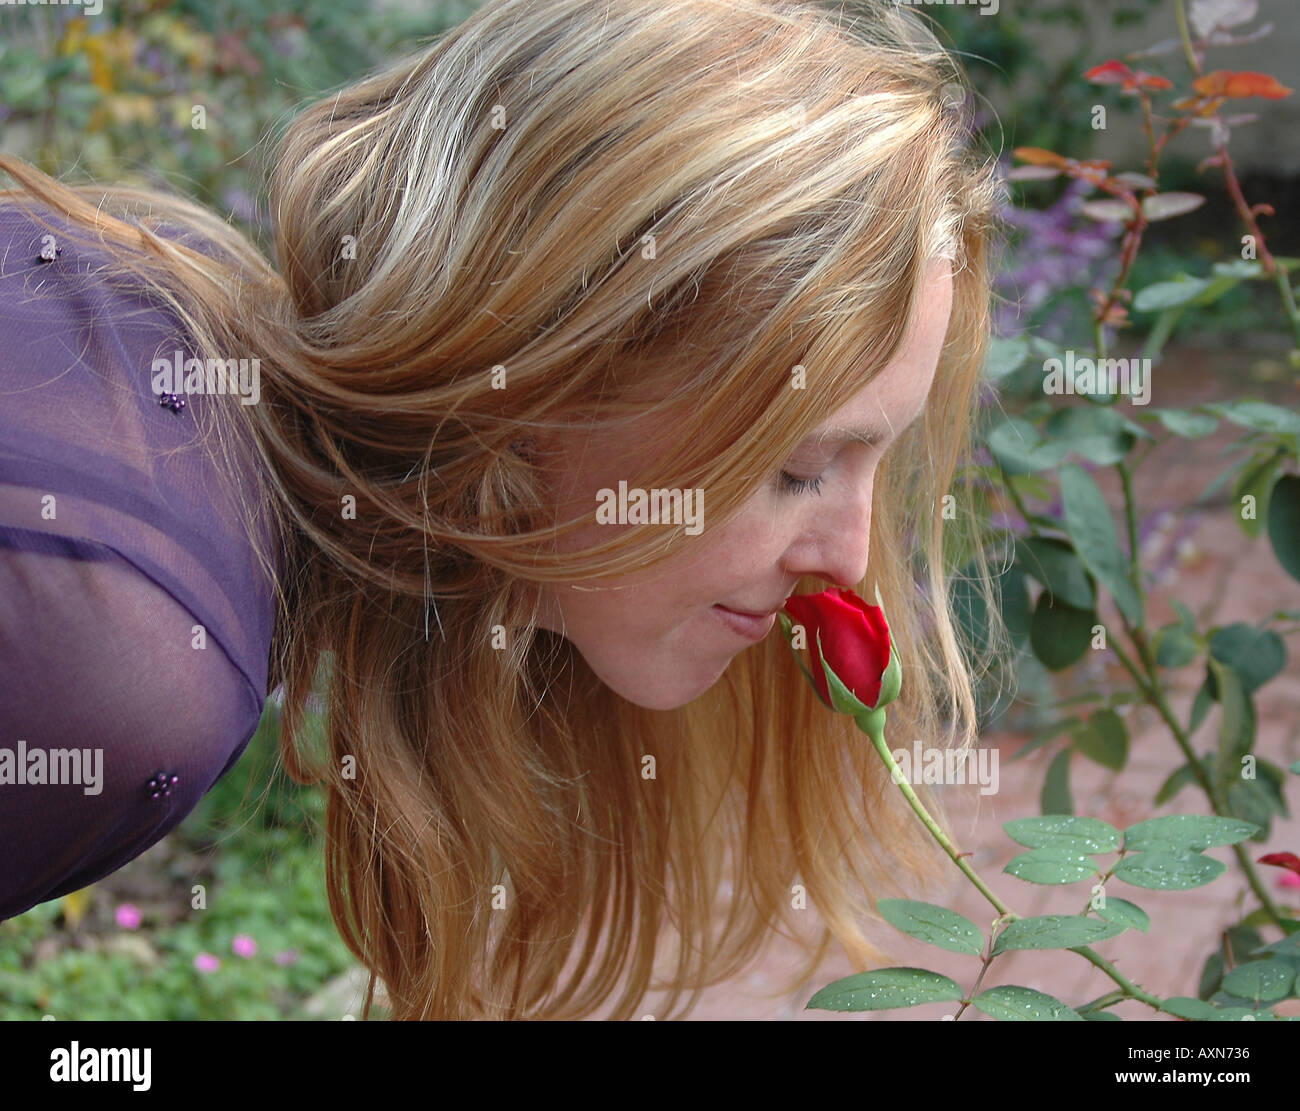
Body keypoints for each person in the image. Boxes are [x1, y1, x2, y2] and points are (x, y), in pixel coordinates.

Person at [0, 0, 1004, 1019]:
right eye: (797, 467)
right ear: (527, 389)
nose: (849, 556)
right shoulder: (114, 664)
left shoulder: (151, 313)